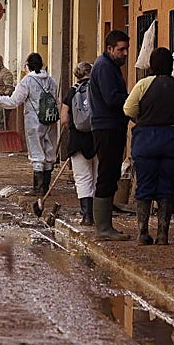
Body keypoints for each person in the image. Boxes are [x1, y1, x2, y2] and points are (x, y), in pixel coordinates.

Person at [123, 47, 174, 245]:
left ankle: (142, 233)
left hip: (146, 139)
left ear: (151, 64)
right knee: (167, 186)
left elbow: (128, 109)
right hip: (173, 139)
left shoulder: (143, 84)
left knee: (144, 185)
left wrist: (144, 118)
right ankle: (162, 234)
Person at [0, 52, 58, 193]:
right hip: (50, 120)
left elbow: (14, 101)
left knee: (36, 153)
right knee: (49, 152)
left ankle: (38, 188)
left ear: (28, 66)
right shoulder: (52, 81)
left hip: (34, 122)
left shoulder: (27, 81)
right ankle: (46, 187)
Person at [89, 29, 131, 240]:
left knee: (110, 174)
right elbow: (111, 98)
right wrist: (132, 101)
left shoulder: (109, 66)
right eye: (121, 49)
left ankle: (105, 226)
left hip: (111, 126)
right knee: (107, 174)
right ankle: (103, 228)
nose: (125, 54)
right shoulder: (105, 67)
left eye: (126, 49)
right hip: (107, 127)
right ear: (110, 49)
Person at [61, 61, 98, 225]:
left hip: (78, 141)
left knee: (83, 178)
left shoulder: (72, 91)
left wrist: (72, 127)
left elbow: (64, 119)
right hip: (98, 138)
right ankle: (100, 216)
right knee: (98, 177)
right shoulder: (98, 89)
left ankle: (87, 216)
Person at [0, 54, 15, 132]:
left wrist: (1, 95)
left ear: (0, 62)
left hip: (3, 103)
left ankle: (5, 140)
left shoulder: (6, 73)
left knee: (3, 124)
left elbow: (10, 88)